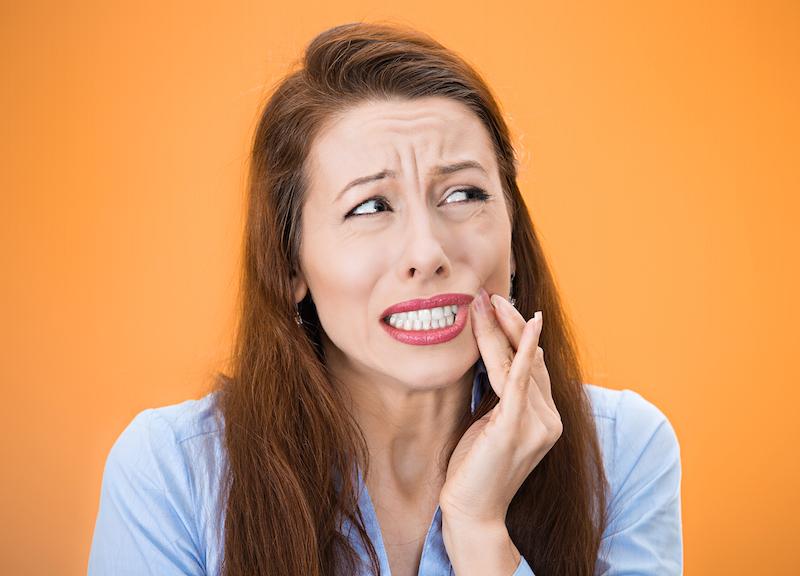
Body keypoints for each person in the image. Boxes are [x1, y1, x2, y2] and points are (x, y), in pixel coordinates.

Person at [87, 21, 682, 576]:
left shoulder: (624, 450)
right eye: (370, 206)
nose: (427, 252)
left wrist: (479, 531)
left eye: (464, 194)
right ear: (291, 265)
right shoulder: (171, 472)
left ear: (514, 237)